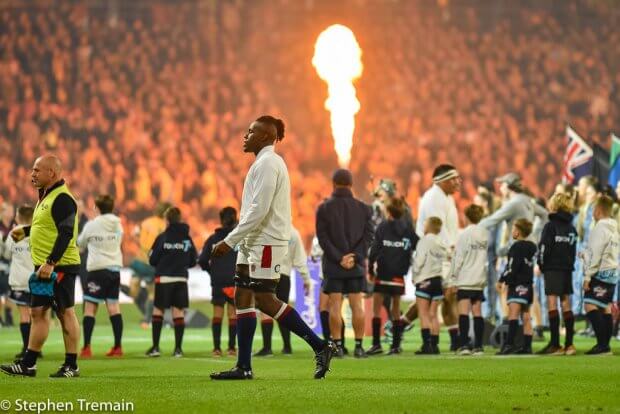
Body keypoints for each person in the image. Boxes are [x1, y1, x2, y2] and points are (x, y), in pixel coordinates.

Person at [210, 116, 334, 380]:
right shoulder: (262, 162)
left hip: (266, 242)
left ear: (266, 136)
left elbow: (260, 209)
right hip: (252, 241)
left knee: (265, 300)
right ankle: (243, 367)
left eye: (251, 131)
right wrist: (240, 240)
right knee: (242, 297)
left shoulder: (268, 163)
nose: (245, 135)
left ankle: (320, 345)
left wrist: (229, 240)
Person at [1, 154, 82, 378]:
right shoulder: (46, 196)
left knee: (65, 313)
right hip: (44, 268)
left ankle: (71, 365)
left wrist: (50, 262)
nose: (32, 174)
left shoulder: (63, 199)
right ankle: (28, 364)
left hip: (59, 267)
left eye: (37, 170)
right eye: (32, 170)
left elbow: (66, 233)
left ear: (52, 173)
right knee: (37, 312)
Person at [316, 168, 374, 358]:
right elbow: (368, 237)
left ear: (333, 184)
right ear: (351, 184)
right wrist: (355, 257)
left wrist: (339, 257)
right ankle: (358, 346)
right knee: (357, 305)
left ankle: (338, 346)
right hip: (355, 265)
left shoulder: (324, 208)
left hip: (334, 265)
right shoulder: (364, 208)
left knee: (334, 306)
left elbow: (322, 238)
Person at [413, 164, 461, 351]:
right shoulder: (434, 198)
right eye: (454, 179)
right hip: (438, 258)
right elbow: (437, 231)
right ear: (443, 180)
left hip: (441, 257)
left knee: (434, 303)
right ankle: (452, 341)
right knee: (444, 300)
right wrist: (450, 254)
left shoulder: (444, 197)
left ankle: (406, 327)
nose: (459, 182)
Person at [367, 197, 418, 356]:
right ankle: (395, 346)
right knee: (395, 309)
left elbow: (374, 250)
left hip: (382, 274)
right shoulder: (408, 228)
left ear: (388, 211)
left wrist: (370, 269)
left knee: (376, 310)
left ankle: (376, 344)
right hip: (399, 276)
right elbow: (417, 244)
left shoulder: (382, 227)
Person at [146, 207, 197, 358]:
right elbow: (194, 259)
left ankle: (155, 348)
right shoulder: (187, 239)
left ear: (167, 220)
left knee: (158, 311)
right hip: (181, 279)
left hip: (164, 279)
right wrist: (181, 265)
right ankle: (178, 349)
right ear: (179, 219)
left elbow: (152, 259)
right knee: (178, 312)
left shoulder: (163, 237)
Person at [77, 195, 124, 358]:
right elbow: (119, 241)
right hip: (114, 269)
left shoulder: (91, 225)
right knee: (113, 308)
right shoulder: (118, 224)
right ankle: (118, 347)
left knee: (90, 308)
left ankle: (86, 348)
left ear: (97, 208)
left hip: (97, 270)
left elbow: (80, 244)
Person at [255, 225, 311, 356]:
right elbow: (300, 259)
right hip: (284, 276)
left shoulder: (267, 229)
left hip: (267, 274)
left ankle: (267, 348)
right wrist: (306, 279)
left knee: (266, 309)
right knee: (282, 310)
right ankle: (287, 347)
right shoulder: (294, 233)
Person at [536, 193, 578, 356]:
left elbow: (544, 248)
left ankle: (555, 344)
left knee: (552, 302)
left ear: (554, 205)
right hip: (567, 268)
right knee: (566, 302)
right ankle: (569, 344)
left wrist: (541, 264)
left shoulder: (550, 226)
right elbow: (573, 249)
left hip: (552, 268)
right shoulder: (571, 228)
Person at [447, 204, 488, 356]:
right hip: (479, 279)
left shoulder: (464, 235)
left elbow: (459, 259)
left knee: (463, 312)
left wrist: (452, 279)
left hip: (465, 278)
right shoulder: (484, 234)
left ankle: (464, 345)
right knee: (477, 312)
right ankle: (478, 346)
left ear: (467, 217)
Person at [199, 206, 239, 357]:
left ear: (221, 220)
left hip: (218, 280)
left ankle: (216, 348)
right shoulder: (239, 239)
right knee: (233, 313)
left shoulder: (213, 239)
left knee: (217, 313)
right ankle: (232, 348)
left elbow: (202, 260)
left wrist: (212, 271)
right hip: (234, 279)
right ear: (235, 219)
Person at [582, 195, 619, 355]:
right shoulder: (614, 227)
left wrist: (587, 277)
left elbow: (595, 254)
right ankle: (605, 345)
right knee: (605, 307)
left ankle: (602, 345)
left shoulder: (599, 228)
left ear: (598, 210)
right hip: (612, 272)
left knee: (589, 304)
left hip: (600, 272)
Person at [496, 219, 537, 355]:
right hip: (528, 285)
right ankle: (527, 346)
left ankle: (509, 344)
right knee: (526, 315)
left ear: (518, 232)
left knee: (513, 314)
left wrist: (502, 280)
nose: (512, 231)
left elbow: (511, 267)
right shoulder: (532, 247)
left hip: (517, 284)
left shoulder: (515, 247)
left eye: (513, 229)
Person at [413, 217, 449, 355]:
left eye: (425, 223)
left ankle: (426, 345)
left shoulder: (424, 241)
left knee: (423, 314)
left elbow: (419, 261)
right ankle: (435, 345)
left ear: (429, 226)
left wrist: (415, 276)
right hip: (438, 281)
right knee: (433, 314)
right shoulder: (441, 242)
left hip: (424, 279)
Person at [3, 205, 35, 358]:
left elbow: (7, 255)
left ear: (19, 216)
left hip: (20, 279)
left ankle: (27, 349)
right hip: (36, 279)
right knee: (36, 315)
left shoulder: (15, 233)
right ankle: (36, 348)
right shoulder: (37, 232)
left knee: (24, 314)